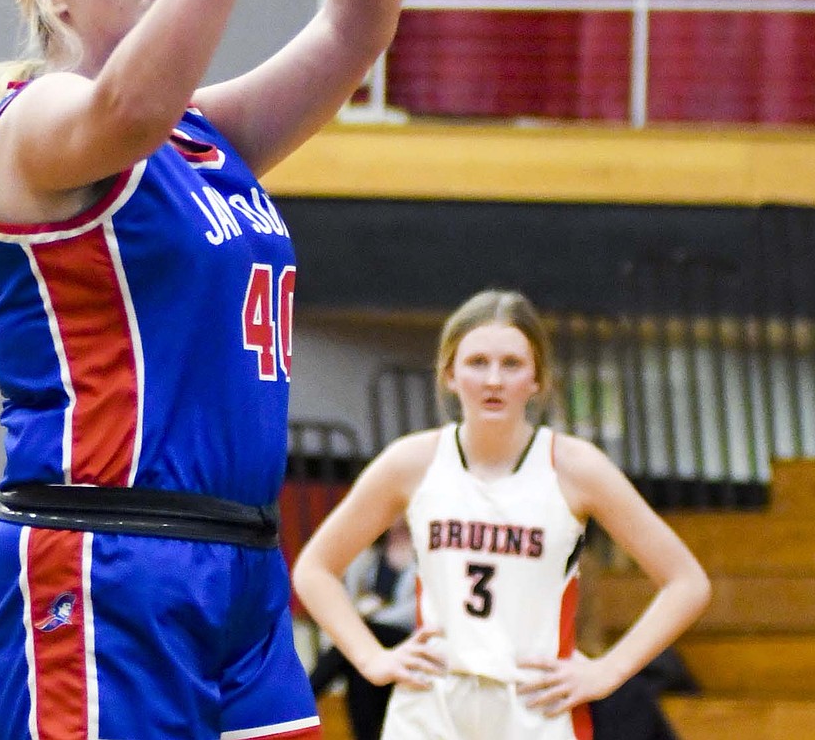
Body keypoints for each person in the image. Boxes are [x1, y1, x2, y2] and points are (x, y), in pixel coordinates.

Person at [0, 0, 422, 740]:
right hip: (100, 562)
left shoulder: (202, 137)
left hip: (239, 572)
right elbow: (128, 106)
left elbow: (351, 31)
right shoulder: (33, 127)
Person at [292, 289, 711, 740]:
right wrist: (373, 659)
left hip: (534, 705)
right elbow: (315, 569)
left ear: (537, 379)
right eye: (477, 363)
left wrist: (608, 672)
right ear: (450, 374)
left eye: (512, 364)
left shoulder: (575, 467)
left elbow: (687, 583)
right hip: (430, 705)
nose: (494, 380)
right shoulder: (412, 462)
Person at [308, 517, 418, 740]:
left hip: (402, 636)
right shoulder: (368, 556)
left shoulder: (422, 554)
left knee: (356, 642)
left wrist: (370, 615)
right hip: (371, 641)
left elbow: (413, 610)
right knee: (358, 667)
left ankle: (305, 694)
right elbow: (346, 597)